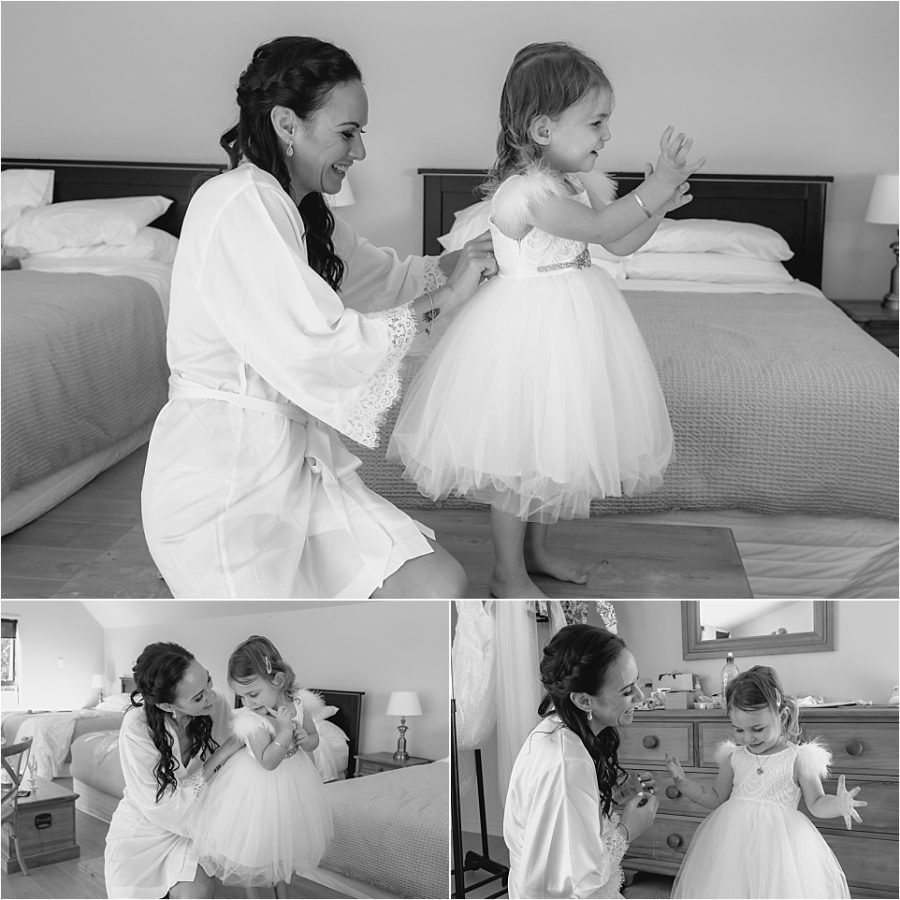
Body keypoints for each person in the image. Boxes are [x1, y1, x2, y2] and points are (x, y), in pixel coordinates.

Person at [140, 36, 496, 599]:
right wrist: (450, 297)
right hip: (227, 476)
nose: (360, 152)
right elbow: (321, 345)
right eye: (348, 133)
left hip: (295, 466)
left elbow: (392, 279)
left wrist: (486, 251)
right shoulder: (239, 201)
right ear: (288, 123)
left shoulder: (300, 210)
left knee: (441, 585)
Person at [388, 42, 704, 598]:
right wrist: (653, 186)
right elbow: (607, 227)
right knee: (520, 455)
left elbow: (621, 242)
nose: (606, 136)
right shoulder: (526, 194)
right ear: (541, 129)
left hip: (573, 323)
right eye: (597, 122)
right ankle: (506, 572)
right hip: (527, 329)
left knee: (552, 447)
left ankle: (535, 552)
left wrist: (656, 207)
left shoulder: (574, 187)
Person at [665, 665, 865, 898]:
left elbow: (817, 803)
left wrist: (839, 805)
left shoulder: (798, 758)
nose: (747, 738)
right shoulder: (734, 757)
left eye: (757, 729)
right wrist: (683, 784)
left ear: (781, 716)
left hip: (779, 851)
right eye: (738, 730)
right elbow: (715, 798)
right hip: (734, 844)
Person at [503, 624, 659, 899]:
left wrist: (616, 795)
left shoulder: (555, 728)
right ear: (585, 700)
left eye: (637, 681)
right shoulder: (567, 764)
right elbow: (573, 880)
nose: (640, 696)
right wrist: (630, 828)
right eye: (626, 691)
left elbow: (570, 826)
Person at [191, 636, 333, 896]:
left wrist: (306, 738)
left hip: (293, 781)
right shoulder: (252, 721)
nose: (248, 702)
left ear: (278, 681)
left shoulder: (299, 704)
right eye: (241, 696)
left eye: (253, 694)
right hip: (259, 787)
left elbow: (313, 739)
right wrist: (285, 734)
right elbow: (268, 762)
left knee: (283, 847)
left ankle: (282, 892)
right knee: (255, 852)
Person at [104, 643, 242, 899]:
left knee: (196, 894)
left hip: (194, 827)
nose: (211, 697)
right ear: (168, 707)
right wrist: (221, 754)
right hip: (145, 827)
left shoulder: (216, 704)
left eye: (209, 683)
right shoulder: (137, 727)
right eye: (198, 697)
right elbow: (165, 807)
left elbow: (242, 737)